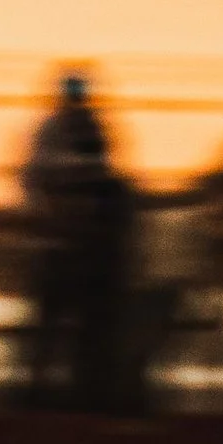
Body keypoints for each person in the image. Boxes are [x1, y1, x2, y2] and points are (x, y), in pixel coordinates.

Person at [18, 69, 138, 411]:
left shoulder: (76, 130)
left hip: (79, 253)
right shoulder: (65, 130)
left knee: (69, 334)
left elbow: (41, 181)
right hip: (69, 252)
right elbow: (41, 182)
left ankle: (69, 398)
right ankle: (52, 398)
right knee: (60, 333)